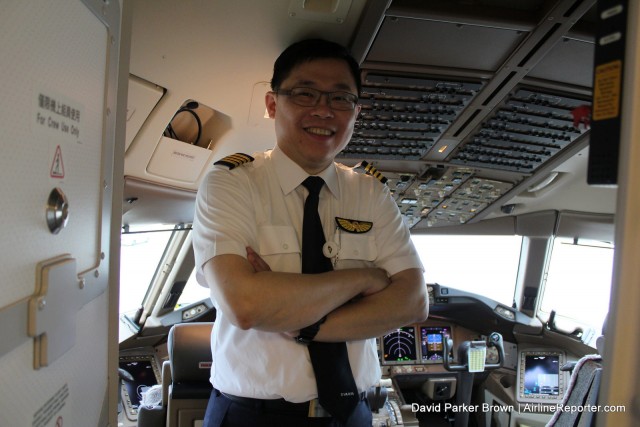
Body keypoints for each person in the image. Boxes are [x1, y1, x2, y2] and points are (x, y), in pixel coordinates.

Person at [193, 39, 428, 427]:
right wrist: (364, 279)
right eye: (305, 93)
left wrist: (304, 324)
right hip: (253, 415)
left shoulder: (370, 192)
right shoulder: (231, 183)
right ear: (272, 104)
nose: (323, 110)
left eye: (340, 98)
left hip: (353, 413)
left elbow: (412, 302)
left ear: (356, 112)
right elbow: (245, 304)